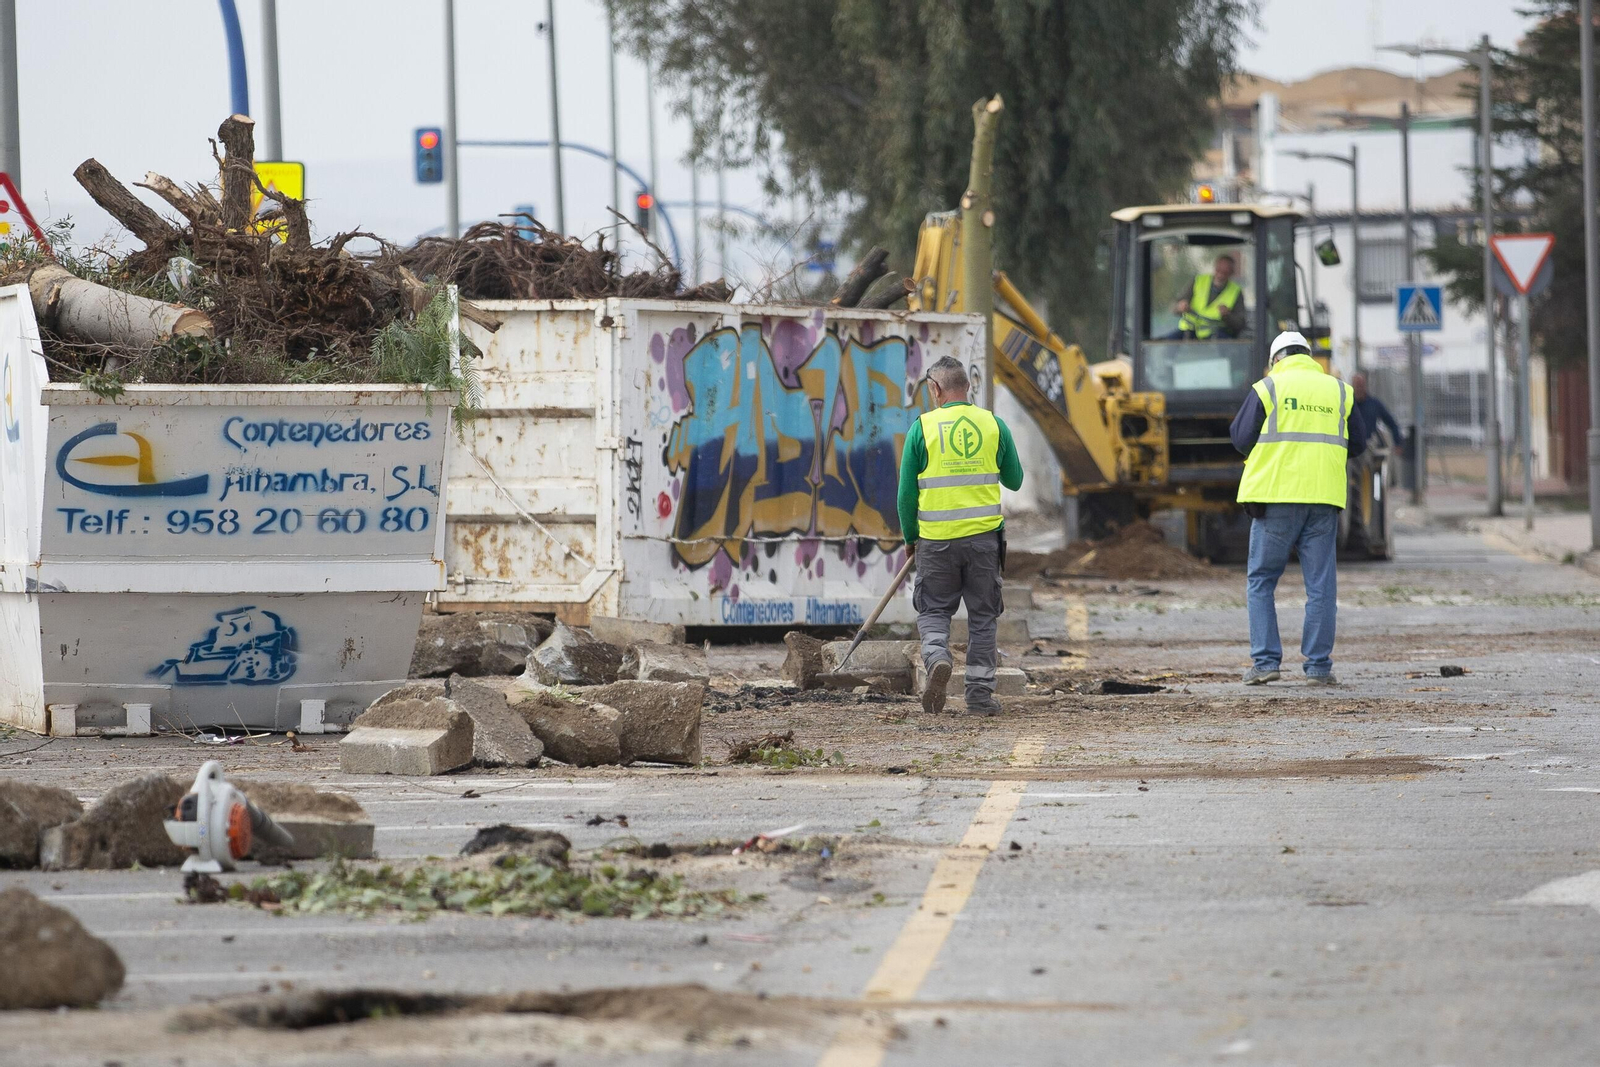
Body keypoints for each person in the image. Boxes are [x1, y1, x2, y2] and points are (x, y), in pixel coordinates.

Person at [1231, 331, 1369, 686]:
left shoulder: (1267, 388)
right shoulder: (1338, 390)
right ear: (1309, 356)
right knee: (1321, 586)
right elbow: (1358, 444)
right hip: (1324, 499)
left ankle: (1265, 663)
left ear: (1276, 358)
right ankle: (1319, 667)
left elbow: (1240, 438)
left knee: (1262, 580)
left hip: (1276, 497)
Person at [897, 356, 1025, 715]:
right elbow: (1014, 480)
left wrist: (911, 537)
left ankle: (938, 657)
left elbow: (906, 494)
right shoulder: (993, 425)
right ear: (967, 388)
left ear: (935, 389)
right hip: (984, 542)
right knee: (983, 618)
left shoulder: (922, 428)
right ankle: (980, 698)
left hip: (936, 543)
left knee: (934, 610)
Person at [1172, 253, 1247, 339]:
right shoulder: (1198, 281)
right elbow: (1175, 307)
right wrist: (1180, 307)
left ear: (1231, 273)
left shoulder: (1236, 291)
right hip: (1189, 330)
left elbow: (1240, 324)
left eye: (1225, 272)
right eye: (1218, 270)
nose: (1220, 275)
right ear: (1214, 268)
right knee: (1167, 343)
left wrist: (1227, 315)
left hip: (1215, 334)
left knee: (1228, 346)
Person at [1351, 373, 1403, 454]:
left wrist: (1397, 443)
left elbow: (1391, 423)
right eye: (1357, 386)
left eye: (1361, 386)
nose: (1359, 389)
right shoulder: (1348, 404)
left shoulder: (1374, 404)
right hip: (1353, 446)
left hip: (1370, 445)